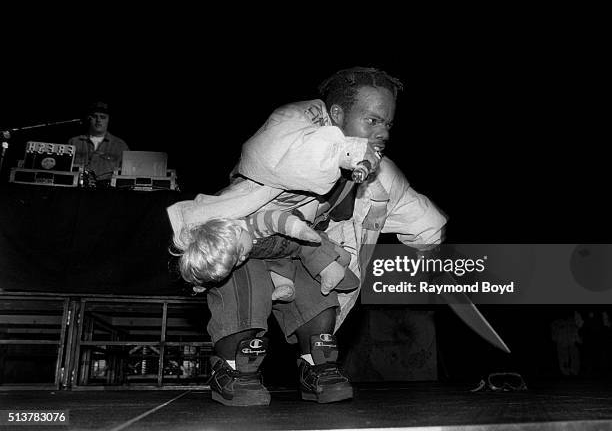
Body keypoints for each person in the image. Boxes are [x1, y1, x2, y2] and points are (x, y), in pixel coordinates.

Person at [169, 67, 446, 406]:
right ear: (337, 114)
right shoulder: (296, 121)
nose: (382, 132)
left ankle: (317, 366)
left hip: (299, 248)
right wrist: (346, 151)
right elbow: (283, 157)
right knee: (246, 296)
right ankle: (232, 370)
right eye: (372, 121)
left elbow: (417, 214)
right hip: (246, 243)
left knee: (321, 296)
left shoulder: (378, 174)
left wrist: (429, 243)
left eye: (387, 124)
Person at [173, 207, 361, 302]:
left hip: (298, 240)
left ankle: (329, 267)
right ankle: (285, 286)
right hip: (279, 255)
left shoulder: (251, 224)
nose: (241, 259)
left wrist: (300, 230)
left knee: (316, 248)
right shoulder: (231, 246)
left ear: (234, 230)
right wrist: (202, 283)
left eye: (239, 252)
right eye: (235, 263)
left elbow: (277, 219)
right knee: (275, 266)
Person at [68, 101, 129, 184]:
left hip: (108, 194)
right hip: (77, 192)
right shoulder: (74, 142)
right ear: (88, 118)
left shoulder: (120, 145)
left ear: (108, 119)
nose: (98, 120)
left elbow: (127, 176)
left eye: (103, 117)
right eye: (94, 116)